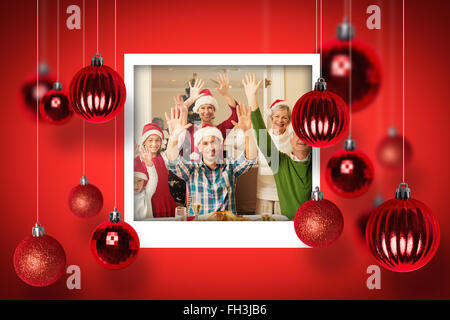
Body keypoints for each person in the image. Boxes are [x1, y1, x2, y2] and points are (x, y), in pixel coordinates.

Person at [164, 103, 257, 216]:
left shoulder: (230, 167)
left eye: (214, 142)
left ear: (220, 144)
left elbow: (250, 159)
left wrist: (248, 132)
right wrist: (173, 138)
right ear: (200, 147)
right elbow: (173, 161)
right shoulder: (192, 169)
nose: (210, 147)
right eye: (205, 143)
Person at [244, 73, 312, 219]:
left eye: (284, 117)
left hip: (286, 196)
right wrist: (252, 99)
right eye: (276, 116)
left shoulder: (310, 158)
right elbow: (263, 141)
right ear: (271, 117)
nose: (280, 120)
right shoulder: (280, 161)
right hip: (265, 191)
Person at [176, 75, 239, 160]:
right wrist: (191, 99)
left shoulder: (220, 129)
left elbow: (237, 115)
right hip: (196, 171)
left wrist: (226, 95)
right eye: (202, 108)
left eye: (210, 107)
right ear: (197, 110)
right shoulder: (190, 129)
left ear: (214, 110)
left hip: (217, 171)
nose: (206, 111)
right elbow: (179, 117)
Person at [139, 122, 179, 217]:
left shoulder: (164, 157)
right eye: (150, 140)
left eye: (157, 140)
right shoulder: (140, 161)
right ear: (144, 141)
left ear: (161, 142)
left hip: (167, 201)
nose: (154, 144)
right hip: (151, 203)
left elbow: (173, 150)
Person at [134, 156, 157, 220]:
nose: (136, 185)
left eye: (139, 180)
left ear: (144, 181)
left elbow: (153, 178)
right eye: (132, 181)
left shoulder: (146, 193)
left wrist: (149, 164)